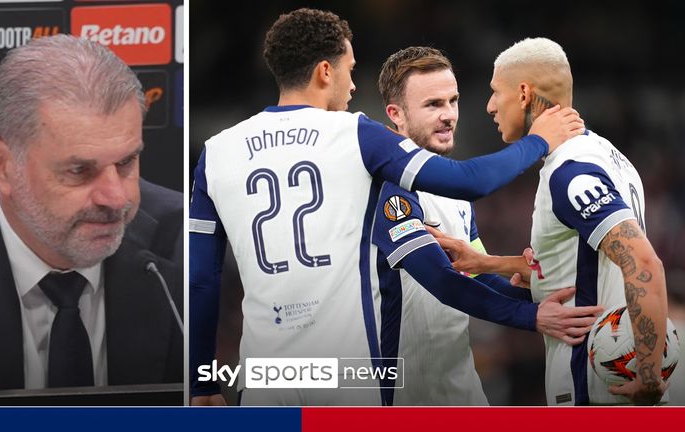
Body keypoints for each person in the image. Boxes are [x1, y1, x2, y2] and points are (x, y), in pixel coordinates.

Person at [189, 9, 587, 406]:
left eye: (453, 101)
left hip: (266, 378)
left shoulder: (218, 152)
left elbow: (201, 279)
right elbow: (470, 185)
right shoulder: (356, 137)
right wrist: (538, 140)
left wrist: (202, 381)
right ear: (326, 71)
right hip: (350, 374)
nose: (351, 84)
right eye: (350, 67)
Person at [0, 35, 184, 393]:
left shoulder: (186, 244)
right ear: (2, 165)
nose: (116, 198)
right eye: (78, 171)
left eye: (126, 162)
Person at [433, 37, 669, 406]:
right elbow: (584, 268)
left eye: (496, 92)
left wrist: (651, 378)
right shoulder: (607, 155)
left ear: (524, 93)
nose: (490, 106)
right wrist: (485, 262)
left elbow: (643, 263)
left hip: (596, 391)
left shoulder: (571, 173)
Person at [372, 46, 550, 405]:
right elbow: (444, 282)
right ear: (396, 115)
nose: (449, 115)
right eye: (433, 105)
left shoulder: (454, 193)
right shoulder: (387, 188)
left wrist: (546, 297)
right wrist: (532, 317)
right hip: (400, 396)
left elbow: (475, 272)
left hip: (459, 387)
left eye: (452, 101)